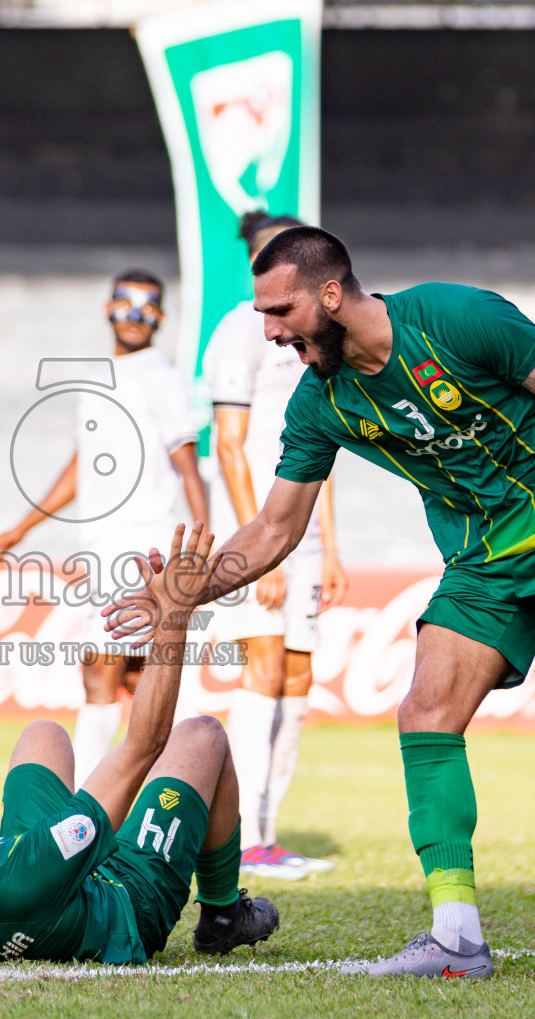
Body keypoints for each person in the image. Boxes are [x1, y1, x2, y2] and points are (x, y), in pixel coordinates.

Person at [102, 227, 535, 980]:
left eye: (280, 311)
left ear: (330, 295)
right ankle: (457, 935)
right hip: (482, 558)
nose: (269, 332)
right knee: (425, 711)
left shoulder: (456, 317)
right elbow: (274, 528)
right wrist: (185, 589)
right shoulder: (319, 401)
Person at [0, 524, 278, 964]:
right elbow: (145, 745)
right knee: (203, 734)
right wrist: (175, 613)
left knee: (44, 734)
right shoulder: (33, 869)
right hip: (122, 899)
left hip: (29, 883)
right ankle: (223, 915)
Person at [0, 270, 208, 787]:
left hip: (142, 540)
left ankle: (85, 801)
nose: (135, 314)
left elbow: (186, 459)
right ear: (108, 307)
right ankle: (185, 775)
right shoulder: (99, 376)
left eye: (147, 305)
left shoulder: (160, 376)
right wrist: (23, 528)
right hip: (105, 542)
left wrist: (202, 537)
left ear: (161, 316)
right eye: (126, 303)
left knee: (100, 666)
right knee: (135, 673)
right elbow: (81, 465)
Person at [203, 211, 346, 881]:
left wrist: (332, 546)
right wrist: (259, 551)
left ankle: (269, 832)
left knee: (297, 676)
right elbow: (229, 445)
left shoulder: (313, 339)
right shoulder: (240, 330)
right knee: (261, 669)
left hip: (307, 532)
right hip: (265, 529)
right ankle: (241, 837)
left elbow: (325, 446)